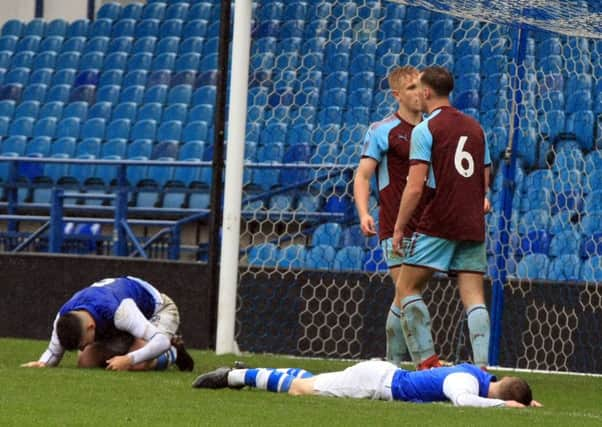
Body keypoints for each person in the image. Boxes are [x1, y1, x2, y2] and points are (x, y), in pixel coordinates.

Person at [391, 66, 492, 370]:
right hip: (471, 220)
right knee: (474, 296)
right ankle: (483, 367)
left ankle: (427, 363)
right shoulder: (476, 127)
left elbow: (415, 184)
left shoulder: (425, 129)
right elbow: (484, 175)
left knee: (407, 288)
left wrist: (398, 226)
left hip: (439, 219)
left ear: (427, 92)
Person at [353, 65, 425, 366]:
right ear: (397, 94)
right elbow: (363, 175)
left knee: (403, 296)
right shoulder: (382, 130)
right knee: (408, 296)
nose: (419, 92)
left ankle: (391, 367)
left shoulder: (433, 127)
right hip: (394, 225)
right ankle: (421, 362)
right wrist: (363, 212)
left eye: (421, 86)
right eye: (411, 88)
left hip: (430, 226)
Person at [192, 361, 542, 408]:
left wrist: (525, 402)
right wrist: (505, 406)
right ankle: (235, 377)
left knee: (311, 382)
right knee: (302, 390)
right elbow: (463, 401)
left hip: (380, 375)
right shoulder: (466, 381)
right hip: (376, 383)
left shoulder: (481, 375)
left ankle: (244, 371)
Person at [21, 276, 194, 372]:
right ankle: (130, 350)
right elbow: (53, 353)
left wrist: (127, 359)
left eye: (83, 343)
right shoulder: (64, 316)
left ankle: (174, 353)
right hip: (120, 323)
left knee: (139, 362)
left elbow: (160, 341)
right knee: (85, 361)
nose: (82, 348)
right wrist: (42, 363)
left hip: (157, 310)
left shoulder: (120, 311)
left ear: (90, 327)